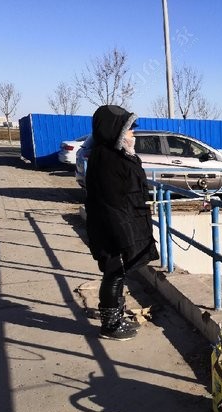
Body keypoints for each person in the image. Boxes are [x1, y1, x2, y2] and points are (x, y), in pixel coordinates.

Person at [84, 105, 159, 341]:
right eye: (129, 131)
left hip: (119, 225)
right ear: (115, 132)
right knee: (114, 273)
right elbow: (113, 204)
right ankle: (111, 325)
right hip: (113, 229)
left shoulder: (113, 155)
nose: (133, 135)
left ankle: (115, 316)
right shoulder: (108, 160)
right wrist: (124, 236)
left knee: (117, 273)